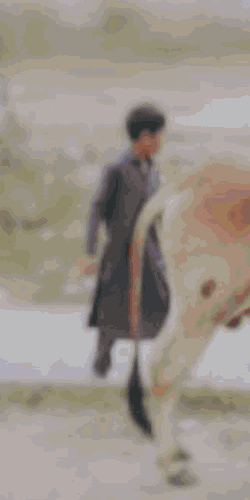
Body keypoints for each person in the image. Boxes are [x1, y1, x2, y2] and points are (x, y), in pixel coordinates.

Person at [84, 103, 170, 378]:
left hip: (148, 250)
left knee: (161, 302)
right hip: (119, 251)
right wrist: (89, 252)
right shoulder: (117, 170)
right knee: (111, 308)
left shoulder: (152, 171)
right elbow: (97, 209)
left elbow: (157, 213)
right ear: (143, 137)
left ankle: (163, 358)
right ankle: (102, 357)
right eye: (157, 136)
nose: (160, 142)